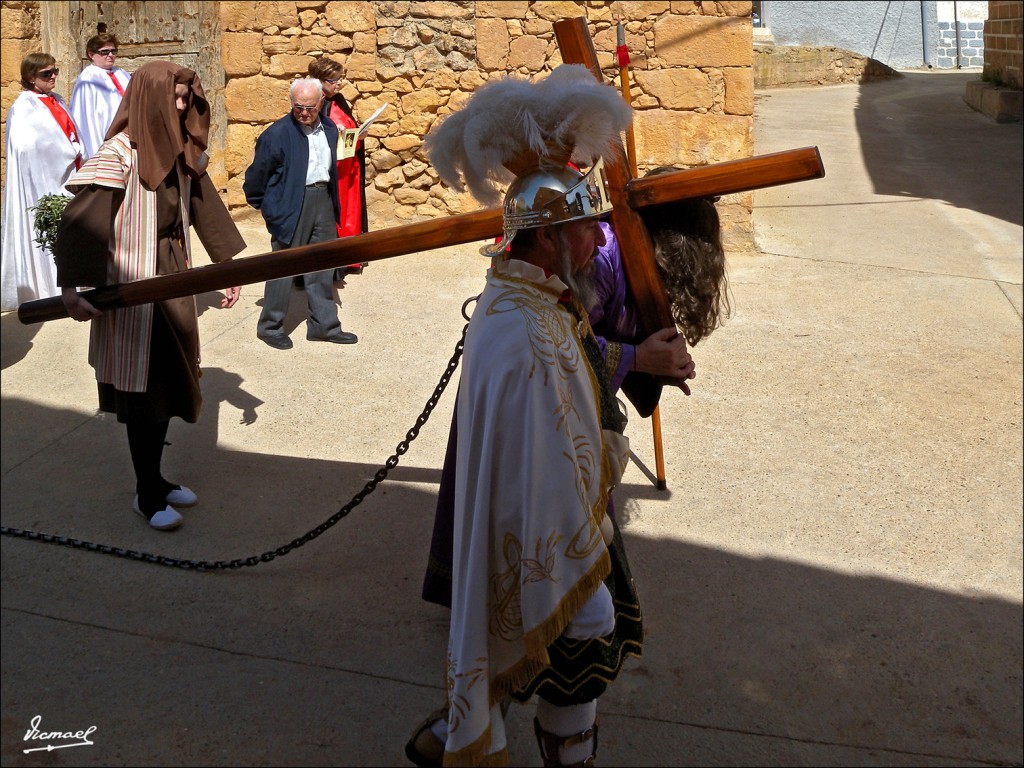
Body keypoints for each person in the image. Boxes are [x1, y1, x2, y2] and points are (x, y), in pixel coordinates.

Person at [407, 64, 652, 767]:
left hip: (562, 515)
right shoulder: (527, 326)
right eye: (583, 228)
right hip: (548, 532)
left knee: (570, 658)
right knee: (586, 629)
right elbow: (543, 455)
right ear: (545, 238)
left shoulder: (528, 297)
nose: (596, 242)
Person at [419, 192, 725, 611]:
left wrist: (659, 361)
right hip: (536, 400)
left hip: (564, 402)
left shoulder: (621, 252)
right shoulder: (597, 255)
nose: (596, 238)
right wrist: (639, 358)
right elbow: (557, 341)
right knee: (535, 508)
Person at [53, 61, 245, 532]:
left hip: (172, 281)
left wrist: (228, 268)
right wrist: (71, 291)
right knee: (144, 393)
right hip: (134, 290)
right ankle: (146, 492)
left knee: (168, 387)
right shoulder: (120, 154)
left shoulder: (179, 151)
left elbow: (204, 207)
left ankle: (156, 479)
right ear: (149, 98)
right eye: (175, 97)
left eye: (186, 97)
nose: (182, 105)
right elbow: (81, 225)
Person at [244, 77, 356, 350]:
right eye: (298, 107)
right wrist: (271, 209)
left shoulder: (329, 128)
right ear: (291, 103)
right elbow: (255, 179)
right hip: (292, 204)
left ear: (321, 103)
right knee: (284, 267)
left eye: (310, 107)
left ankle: (323, 325)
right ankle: (270, 326)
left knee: (322, 265)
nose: (304, 113)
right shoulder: (277, 134)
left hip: (323, 201)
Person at [1, 53, 82, 311]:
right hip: (43, 179)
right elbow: (26, 148)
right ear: (30, 78)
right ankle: (49, 285)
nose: (54, 76)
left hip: (67, 174)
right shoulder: (25, 106)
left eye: (55, 71)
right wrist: (68, 151)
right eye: (46, 74)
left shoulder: (55, 99)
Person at [307, 56, 368, 279]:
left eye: (339, 79)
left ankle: (349, 257)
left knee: (350, 213)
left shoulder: (338, 100)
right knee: (337, 215)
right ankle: (335, 262)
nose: (338, 84)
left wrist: (356, 134)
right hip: (335, 172)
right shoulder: (314, 104)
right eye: (333, 80)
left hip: (349, 168)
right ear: (320, 81)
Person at [69, 32, 131, 161]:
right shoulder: (88, 78)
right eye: (105, 52)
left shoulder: (121, 73)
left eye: (113, 51)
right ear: (91, 55)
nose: (110, 55)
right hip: (105, 134)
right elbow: (87, 118)